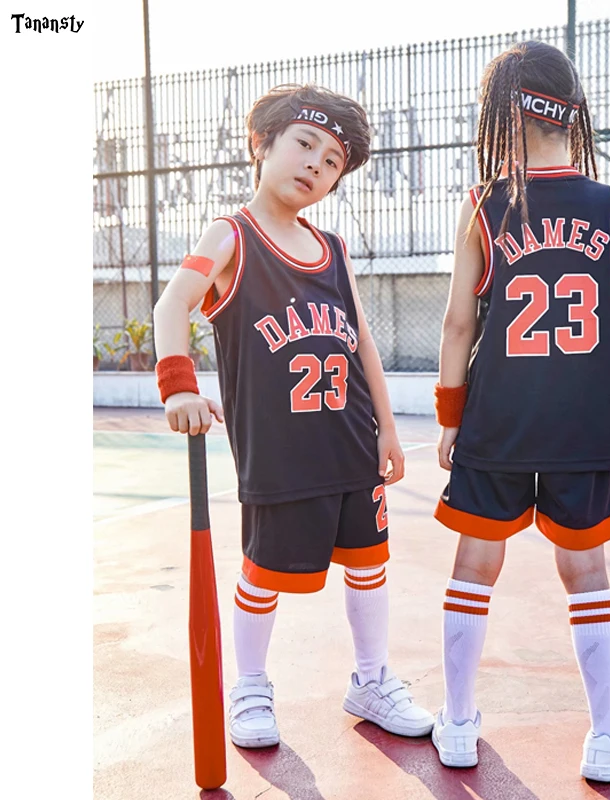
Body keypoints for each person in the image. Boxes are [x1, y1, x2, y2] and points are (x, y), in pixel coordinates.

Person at [153, 83, 434, 749]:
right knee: (263, 575)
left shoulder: (333, 248)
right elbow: (172, 305)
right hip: (279, 455)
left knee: (369, 564)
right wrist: (177, 388)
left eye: (332, 160)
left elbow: (362, 343)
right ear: (262, 144)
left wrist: (389, 431)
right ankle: (251, 685)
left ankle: (371, 679)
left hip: (352, 444)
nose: (316, 163)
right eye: (305, 144)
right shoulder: (231, 235)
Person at [430, 41, 610, 782]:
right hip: (578, 426)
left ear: (502, 115)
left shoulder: (484, 203)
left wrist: (449, 417)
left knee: (473, 566)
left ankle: (458, 725)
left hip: (495, 421)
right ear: (572, 111)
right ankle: (609, 735)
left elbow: (458, 325)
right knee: (586, 571)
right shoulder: (609, 204)